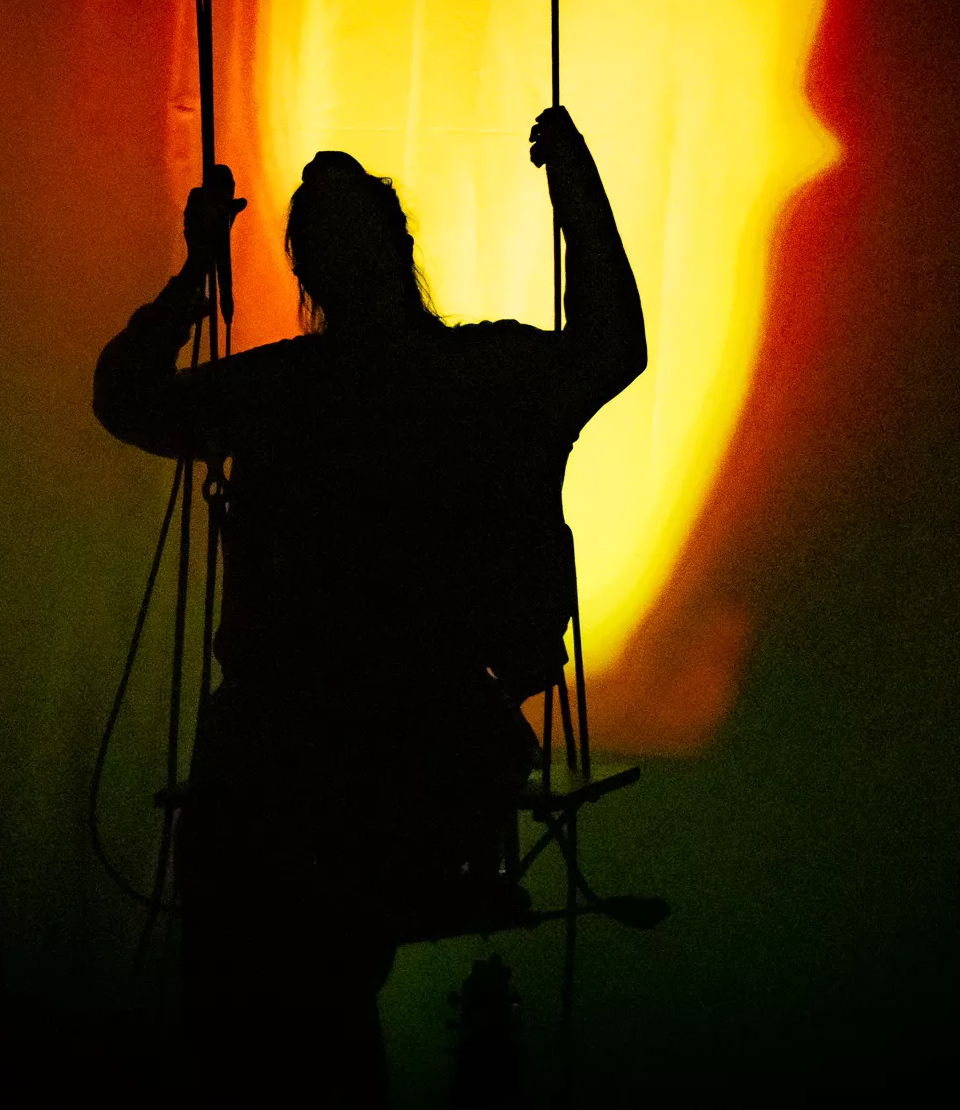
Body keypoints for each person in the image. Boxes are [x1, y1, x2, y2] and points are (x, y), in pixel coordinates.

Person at [93, 106, 645, 1104]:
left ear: (309, 274)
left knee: (269, 1021)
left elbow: (127, 398)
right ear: (399, 248)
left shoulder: (281, 392)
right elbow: (611, 345)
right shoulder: (480, 378)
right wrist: (574, 180)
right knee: (320, 1011)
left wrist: (195, 274)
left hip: (289, 769)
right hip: (421, 762)